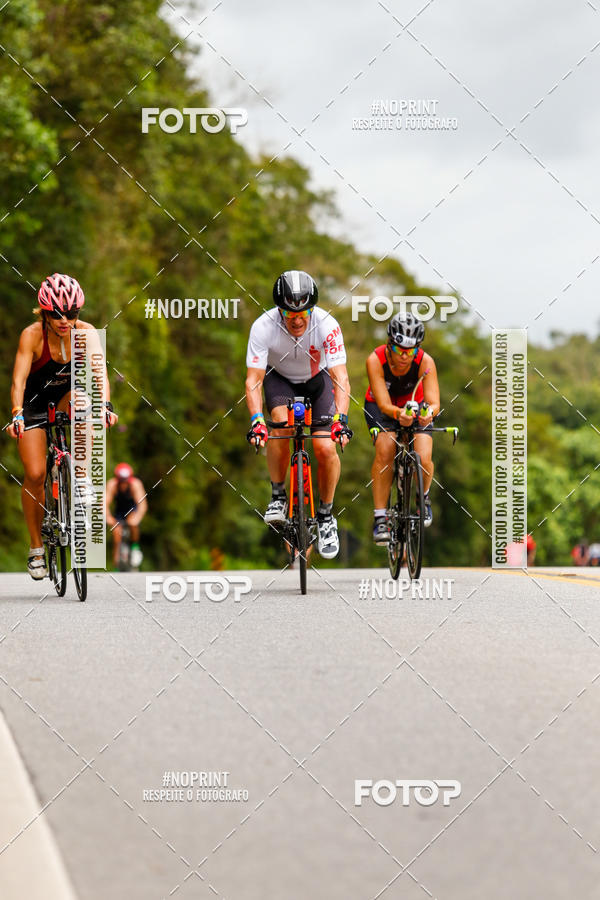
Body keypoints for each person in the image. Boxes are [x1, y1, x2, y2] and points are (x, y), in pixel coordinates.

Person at [7, 274, 117, 579]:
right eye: (57, 314)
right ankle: (36, 547)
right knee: (35, 473)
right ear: (44, 312)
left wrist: (105, 406)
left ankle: (81, 480)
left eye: (72, 314)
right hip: (34, 404)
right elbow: (17, 381)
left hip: (69, 398)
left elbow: (98, 374)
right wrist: (17, 413)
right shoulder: (32, 336)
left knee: (86, 401)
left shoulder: (87, 333)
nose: (65, 320)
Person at [245, 270, 352, 558]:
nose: (297, 319)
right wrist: (257, 421)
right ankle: (278, 495)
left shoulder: (328, 325)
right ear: (279, 310)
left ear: (311, 308)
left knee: (325, 447)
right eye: (289, 313)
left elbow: (341, 377)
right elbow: (253, 379)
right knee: (279, 426)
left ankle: (326, 516)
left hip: (318, 382)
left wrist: (341, 421)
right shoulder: (263, 326)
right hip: (279, 380)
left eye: (303, 311)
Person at [364, 311, 440, 543]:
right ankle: (380, 518)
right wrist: (400, 415)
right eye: (399, 350)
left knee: (424, 455)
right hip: (381, 406)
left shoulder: (425, 361)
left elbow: (434, 402)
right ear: (389, 344)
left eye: (411, 350)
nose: (405, 356)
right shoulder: (375, 360)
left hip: (415, 404)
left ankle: (423, 498)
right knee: (386, 449)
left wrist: (427, 415)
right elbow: (385, 404)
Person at [105, 463, 147, 568]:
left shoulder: (136, 484)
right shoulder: (112, 484)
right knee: (116, 532)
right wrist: (108, 517)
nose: (123, 484)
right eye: (121, 481)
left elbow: (142, 505)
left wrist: (137, 518)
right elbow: (104, 503)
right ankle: (116, 564)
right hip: (119, 512)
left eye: (125, 481)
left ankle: (135, 548)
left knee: (133, 524)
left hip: (132, 510)